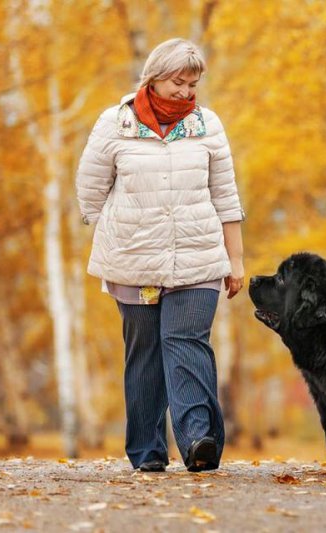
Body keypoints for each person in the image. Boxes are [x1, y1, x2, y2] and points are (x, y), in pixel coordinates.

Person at [75, 38, 245, 472]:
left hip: (198, 257)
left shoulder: (208, 126)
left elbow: (226, 195)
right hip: (134, 261)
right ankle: (147, 452)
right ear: (153, 77)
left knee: (186, 342)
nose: (187, 93)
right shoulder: (115, 124)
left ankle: (197, 441)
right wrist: (118, 226)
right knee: (145, 353)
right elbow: (90, 189)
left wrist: (235, 260)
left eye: (193, 84)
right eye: (178, 82)